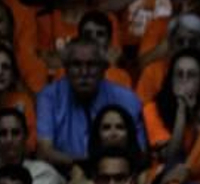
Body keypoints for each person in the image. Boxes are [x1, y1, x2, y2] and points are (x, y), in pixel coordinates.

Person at [36, 38, 145, 168]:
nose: (84, 73)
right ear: (65, 68)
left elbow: (141, 153)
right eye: (76, 65)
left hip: (116, 172)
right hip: (65, 171)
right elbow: (44, 152)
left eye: (91, 65)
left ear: (104, 68)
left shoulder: (126, 99)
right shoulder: (50, 97)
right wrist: (85, 166)